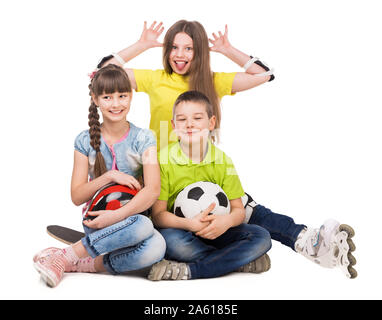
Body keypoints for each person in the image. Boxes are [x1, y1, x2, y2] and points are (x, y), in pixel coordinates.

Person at [98, 20, 357, 278]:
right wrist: (142, 45)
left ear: (200, 51)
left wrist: (226, 49)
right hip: (163, 174)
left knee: (249, 210)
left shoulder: (212, 81)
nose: (179, 54)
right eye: (174, 47)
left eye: (189, 48)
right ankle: (238, 259)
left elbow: (264, 75)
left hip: (204, 172)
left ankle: (308, 241)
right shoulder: (156, 78)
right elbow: (104, 72)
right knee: (177, 229)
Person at [33, 64, 166, 287]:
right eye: (107, 97)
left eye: (122, 95)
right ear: (95, 99)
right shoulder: (84, 141)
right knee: (145, 229)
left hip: (131, 221)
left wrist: (116, 216)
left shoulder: (144, 138)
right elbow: (77, 196)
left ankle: (71, 260)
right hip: (97, 221)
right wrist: (109, 176)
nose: (116, 104)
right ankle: (72, 255)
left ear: (131, 96)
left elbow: (152, 190)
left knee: (157, 245)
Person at [148, 91, 272, 280]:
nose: (189, 124)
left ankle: (190, 270)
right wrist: (190, 223)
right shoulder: (162, 160)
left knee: (261, 237)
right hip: (181, 230)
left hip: (218, 230)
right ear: (173, 126)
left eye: (197, 118)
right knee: (168, 242)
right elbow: (158, 216)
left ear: (211, 123)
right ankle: (236, 260)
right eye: (182, 119)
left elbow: (238, 210)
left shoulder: (224, 161)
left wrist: (226, 222)